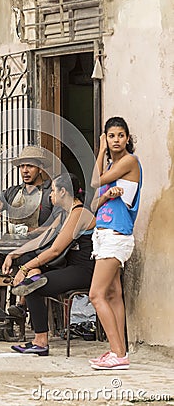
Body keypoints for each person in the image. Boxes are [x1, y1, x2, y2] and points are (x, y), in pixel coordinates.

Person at [1, 173, 96, 356]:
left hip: (84, 270)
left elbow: (55, 250)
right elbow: (43, 240)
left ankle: (41, 341)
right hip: (68, 267)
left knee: (32, 287)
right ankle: (35, 332)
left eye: (52, 191)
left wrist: (25, 267)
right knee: (32, 275)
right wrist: (15, 254)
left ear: (63, 192)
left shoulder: (79, 213)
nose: (50, 195)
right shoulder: (65, 215)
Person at [0, 145, 60, 316]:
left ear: (40, 168)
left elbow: (59, 227)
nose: (25, 170)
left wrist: (33, 230)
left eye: (29, 166)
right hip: (9, 245)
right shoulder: (13, 192)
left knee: (29, 262)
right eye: (22, 166)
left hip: (36, 247)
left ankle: (21, 306)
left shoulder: (50, 193)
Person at [88, 116, 142, 370]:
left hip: (116, 235)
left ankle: (118, 354)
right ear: (106, 139)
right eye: (111, 136)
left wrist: (100, 151)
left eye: (121, 135)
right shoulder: (111, 165)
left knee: (96, 294)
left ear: (128, 138)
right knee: (113, 294)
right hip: (103, 235)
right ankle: (118, 350)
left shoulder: (130, 161)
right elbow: (93, 200)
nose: (116, 140)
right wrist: (107, 194)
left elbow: (94, 182)